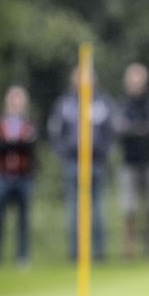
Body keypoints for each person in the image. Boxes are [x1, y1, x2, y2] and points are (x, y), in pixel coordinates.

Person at [47, 66, 115, 261]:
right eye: (79, 78)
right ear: (73, 80)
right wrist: (63, 153)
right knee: (73, 210)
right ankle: (75, 253)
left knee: (98, 210)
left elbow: (112, 130)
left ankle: (99, 253)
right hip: (73, 163)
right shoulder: (64, 104)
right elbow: (55, 132)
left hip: (97, 163)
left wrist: (105, 151)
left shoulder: (103, 103)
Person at [115, 62, 149, 259]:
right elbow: (119, 129)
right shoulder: (122, 104)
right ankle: (129, 252)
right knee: (129, 209)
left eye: (139, 80)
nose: (135, 84)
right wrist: (139, 130)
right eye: (132, 80)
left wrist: (135, 130)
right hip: (129, 163)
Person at [0, 85, 39, 268]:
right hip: (2, 175)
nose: (17, 103)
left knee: (23, 219)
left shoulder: (29, 124)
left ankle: (22, 257)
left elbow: (31, 146)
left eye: (20, 99)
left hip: (24, 176)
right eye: (13, 99)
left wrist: (12, 144)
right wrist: (14, 144)